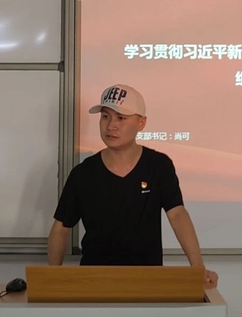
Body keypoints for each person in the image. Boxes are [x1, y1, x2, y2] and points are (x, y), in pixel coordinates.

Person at [47, 83, 218, 288]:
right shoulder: (83, 173)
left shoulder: (158, 166)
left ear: (141, 123)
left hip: (147, 281)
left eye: (121, 118)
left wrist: (197, 267)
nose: (111, 125)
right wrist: (53, 278)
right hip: (95, 281)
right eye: (105, 116)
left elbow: (177, 214)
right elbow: (60, 229)